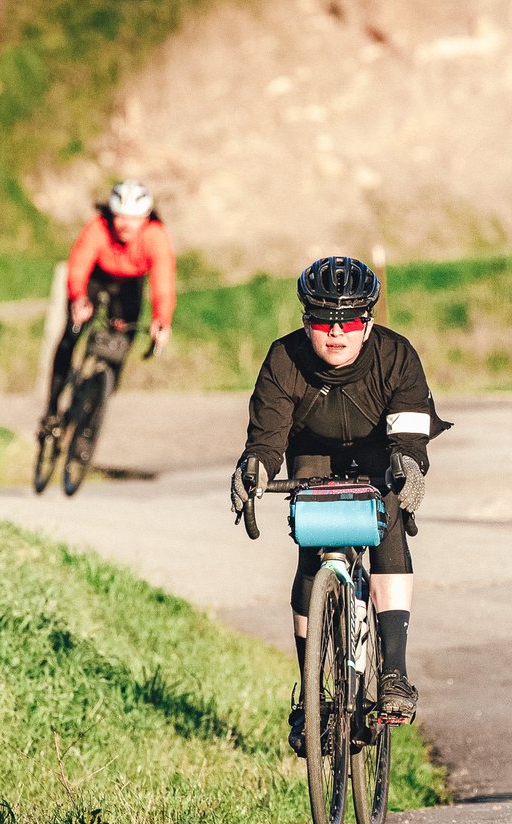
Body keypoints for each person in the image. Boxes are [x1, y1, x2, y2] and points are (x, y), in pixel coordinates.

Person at [229, 255, 449, 754]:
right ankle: (314, 698)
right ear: (305, 320)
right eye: (323, 320)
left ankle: (394, 675)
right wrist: (254, 470)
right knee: (314, 546)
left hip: (381, 452)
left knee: (387, 523)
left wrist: (409, 467)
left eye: (348, 321)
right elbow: (267, 437)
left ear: (367, 323)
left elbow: (409, 435)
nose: (335, 331)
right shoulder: (284, 359)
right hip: (312, 451)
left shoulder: (397, 357)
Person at [39, 179, 176, 438]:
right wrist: (79, 298)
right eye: (120, 217)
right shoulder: (98, 228)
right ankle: (52, 410)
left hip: (129, 285)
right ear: (111, 214)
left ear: (146, 217)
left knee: (122, 343)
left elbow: (163, 283)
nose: (126, 225)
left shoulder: (156, 235)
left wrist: (161, 319)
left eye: (134, 219)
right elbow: (78, 265)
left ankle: (94, 407)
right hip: (96, 277)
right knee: (71, 335)